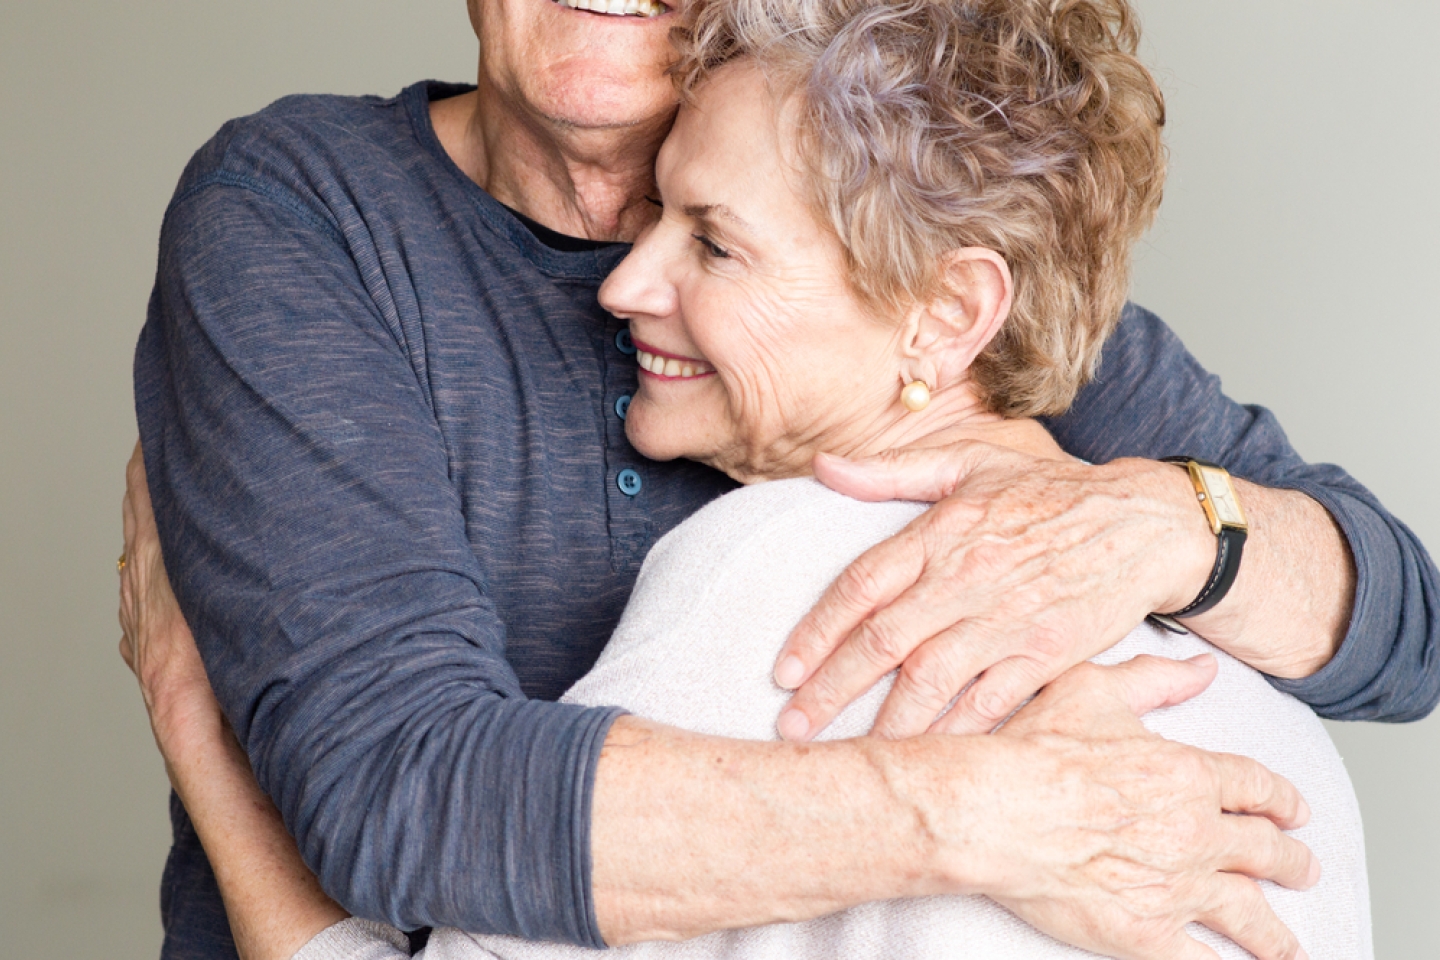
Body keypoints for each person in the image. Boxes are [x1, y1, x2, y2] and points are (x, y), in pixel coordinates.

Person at [118, 0, 1438, 958]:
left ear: (946, 320)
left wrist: (1177, 522)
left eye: (717, 246)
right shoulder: (306, 214)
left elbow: (1406, 627)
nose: (638, 288)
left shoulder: (912, 226)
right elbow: (394, 789)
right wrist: (991, 814)